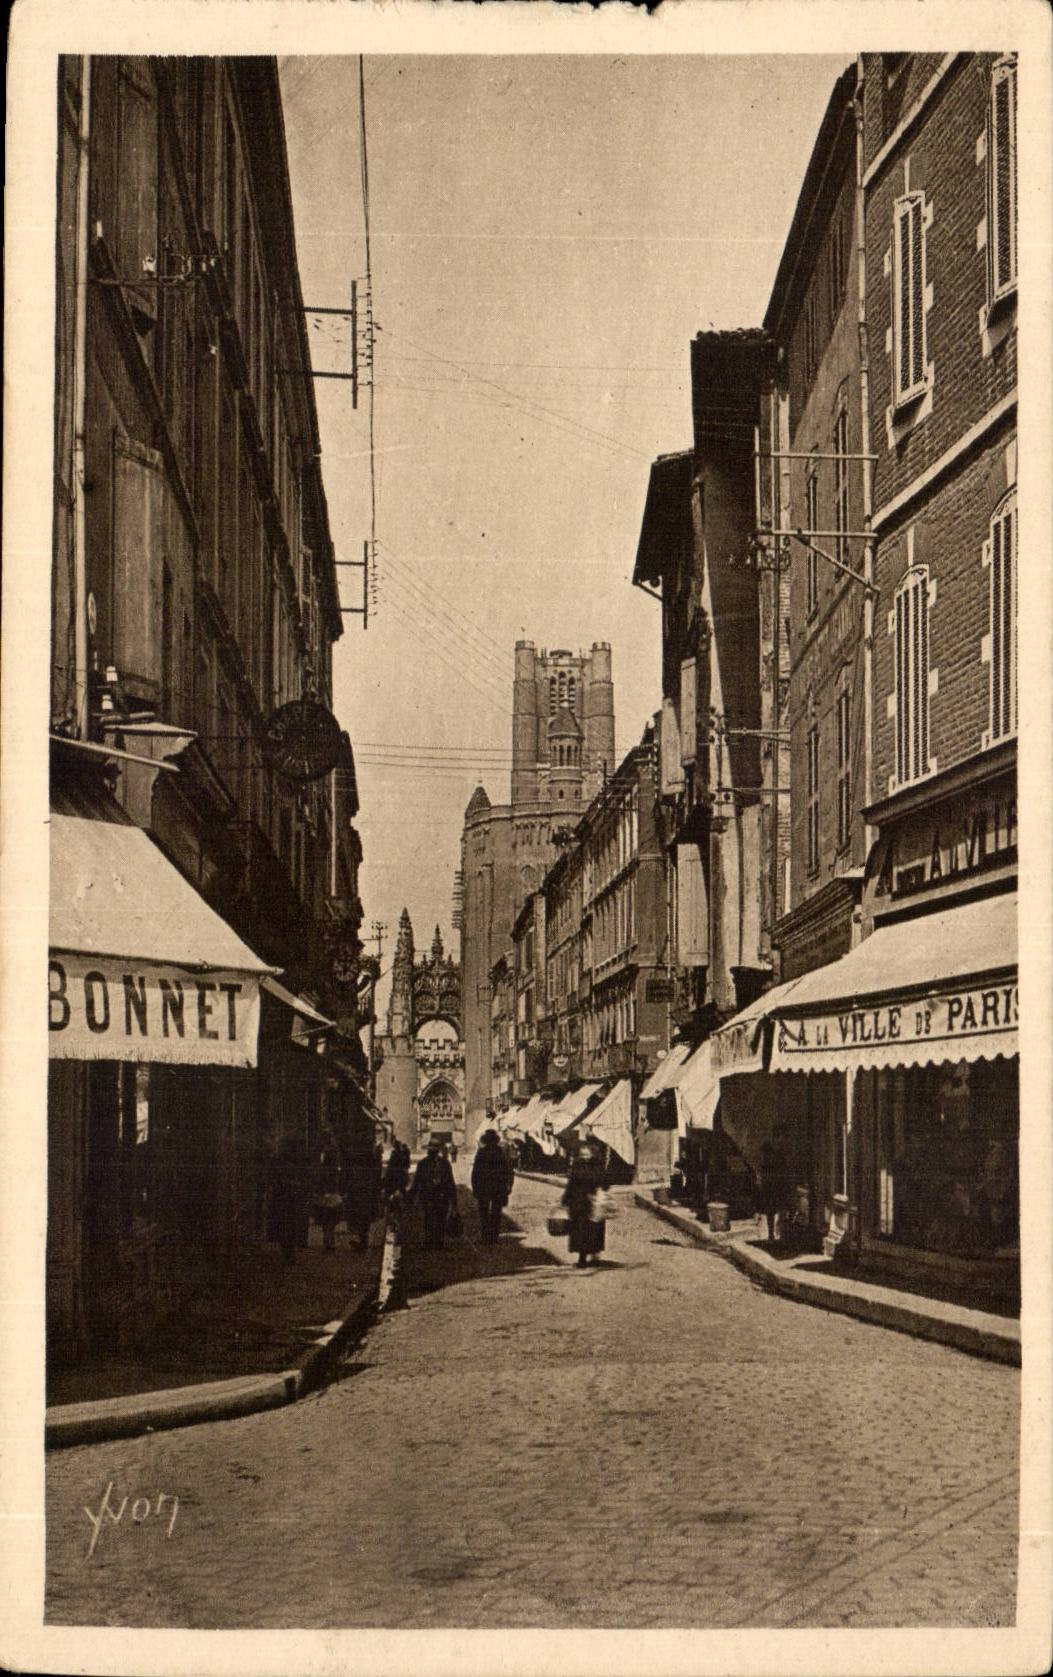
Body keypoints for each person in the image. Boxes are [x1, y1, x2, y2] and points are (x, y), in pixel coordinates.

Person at [562, 1139, 607, 1268]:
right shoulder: (577, 1166)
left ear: (593, 1154)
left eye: (586, 1155)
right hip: (578, 1203)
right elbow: (571, 1184)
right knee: (580, 1231)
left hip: (593, 1204)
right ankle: (582, 1258)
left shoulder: (598, 1166)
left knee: (594, 1230)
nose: (583, 1157)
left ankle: (594, 1254)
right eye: (582, 1155)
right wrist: (565, 1200)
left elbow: (605, 1183)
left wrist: (598, 1188)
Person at [411, 1137, 457, 1249]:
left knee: (440, 1218)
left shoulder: (445, 1164)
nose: (433, 1150)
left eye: (435, 1148)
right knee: (429, 1218)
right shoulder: (422, 1164)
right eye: (431, 1148)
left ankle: (439, 1241)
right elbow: (417, 1181)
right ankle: (429, 1241)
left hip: (442, 1196)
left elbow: (450, 1182)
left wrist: (453, 1200)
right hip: (428, 1196)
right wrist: (411, 1195)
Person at [471, 1129, 513, 1244]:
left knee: (484, 1213)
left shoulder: (481, 1153)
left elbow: (476, 1172)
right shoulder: (501, 1153)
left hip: (484, 1187)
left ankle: (485, 1236)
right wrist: (509, 1186)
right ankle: (494, 1236)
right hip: (498, 1188)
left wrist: (475, 1187)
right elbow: (509, 1171)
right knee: (496, 1213)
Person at [344, 1145, 382, 1251]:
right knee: (364, 1221)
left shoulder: (362, 1172)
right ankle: (363, 1241)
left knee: (362, 1220)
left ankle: (363, 1242)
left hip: (362, 1200)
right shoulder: (371, 1170)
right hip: (367, 1199)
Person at [312, 1131, 344, 1252]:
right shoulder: (332, 1151)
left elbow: (322, 1169)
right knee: (332, 1214)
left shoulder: (325, 1151)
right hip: (330, 1187)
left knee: (327, 1214)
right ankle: (329, 1238)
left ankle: (328, 1237)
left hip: (326, 1187)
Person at [758, 1126, 790, 1246]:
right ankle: (773, 1233)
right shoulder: (771, 1148)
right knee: (772, 1209)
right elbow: (762, 1164)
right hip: (772, 1182)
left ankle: (778, 1233)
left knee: (778, 1209)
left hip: (777, 1182)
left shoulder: (781, 1149)